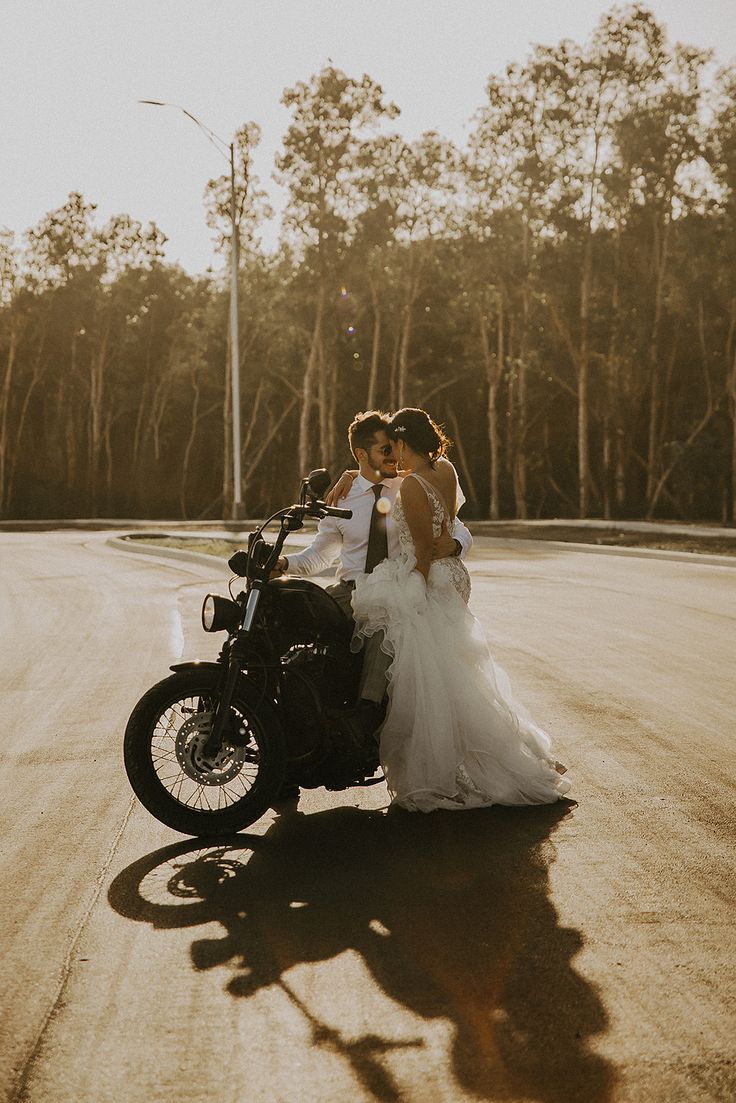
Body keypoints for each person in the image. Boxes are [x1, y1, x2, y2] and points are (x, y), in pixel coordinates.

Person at [350, 407, 570, 812]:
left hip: (431, 575)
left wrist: (408, 590)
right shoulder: (445, 469)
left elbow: (420, 552)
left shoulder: (414, 487)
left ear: (402, 442)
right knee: (458, 668)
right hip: (456, 575)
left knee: (433, 674)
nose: (391, 454)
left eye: (392, 446)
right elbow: (446, 527)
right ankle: (496, 751)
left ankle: (447, 763)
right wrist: (353, 474)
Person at [272, 410, 473, 727]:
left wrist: (458, 544)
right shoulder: (341, 497)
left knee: (385, 624)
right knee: (285, 610)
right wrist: (283, 563)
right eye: (385, 449)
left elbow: (454, 524)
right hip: (348, 590)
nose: (395, 454)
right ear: (362, 454)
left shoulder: (409, 483)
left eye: (395, 446)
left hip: (396, 589)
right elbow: (318, 555)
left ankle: (366, 711)